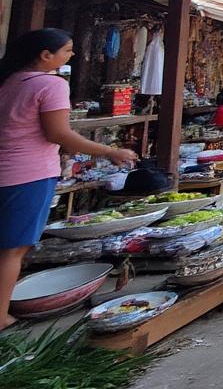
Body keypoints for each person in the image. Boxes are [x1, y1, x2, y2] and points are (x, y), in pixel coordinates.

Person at [0, 28, 138, 332]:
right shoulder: (50, 84)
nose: (72, 55)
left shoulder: (9, 81)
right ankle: (1, 315)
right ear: (45, 56)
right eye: (67, 50)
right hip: (28, 173)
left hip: (8, 171)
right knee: (13, 249)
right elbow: (59, 134)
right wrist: (110, 151)